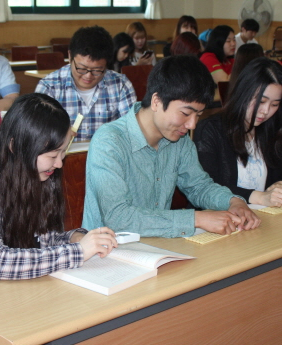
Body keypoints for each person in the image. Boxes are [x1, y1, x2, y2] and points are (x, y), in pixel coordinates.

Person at [0, 92, 118, 345]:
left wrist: (74, 238)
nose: (59, 164)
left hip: (30, 301)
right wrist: (77, 252)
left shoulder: (38, 176)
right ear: (15, 146)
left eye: (62, 153)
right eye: (52, 155)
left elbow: (41, 242)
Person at [83, 55, 260, 237]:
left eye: (198, 115)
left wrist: (233, 202)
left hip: (160, 247)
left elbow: (198, 186)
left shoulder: (179, 140)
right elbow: (118, 218)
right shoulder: (109, 142)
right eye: (185, 113)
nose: (192, 125)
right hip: (108, 253)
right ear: (156, 101)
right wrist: (196, 219)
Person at [194, 58, 282, 207]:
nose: (266, 111)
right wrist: (259, 197)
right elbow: (206, 188)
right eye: (260, 102)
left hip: (261, 218)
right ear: (243, 93)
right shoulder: (211, 130)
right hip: (221, 220)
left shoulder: (272, 129)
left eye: (274, 104)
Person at [35, 25, 136, 141]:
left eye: (97, 70)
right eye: (81, 68)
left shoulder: (120, 85)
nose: (88, 76)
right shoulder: (49, 87)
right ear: (69, 56)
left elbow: (131, 131)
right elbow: (39, 135)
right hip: (64, 157)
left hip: (108, 155)